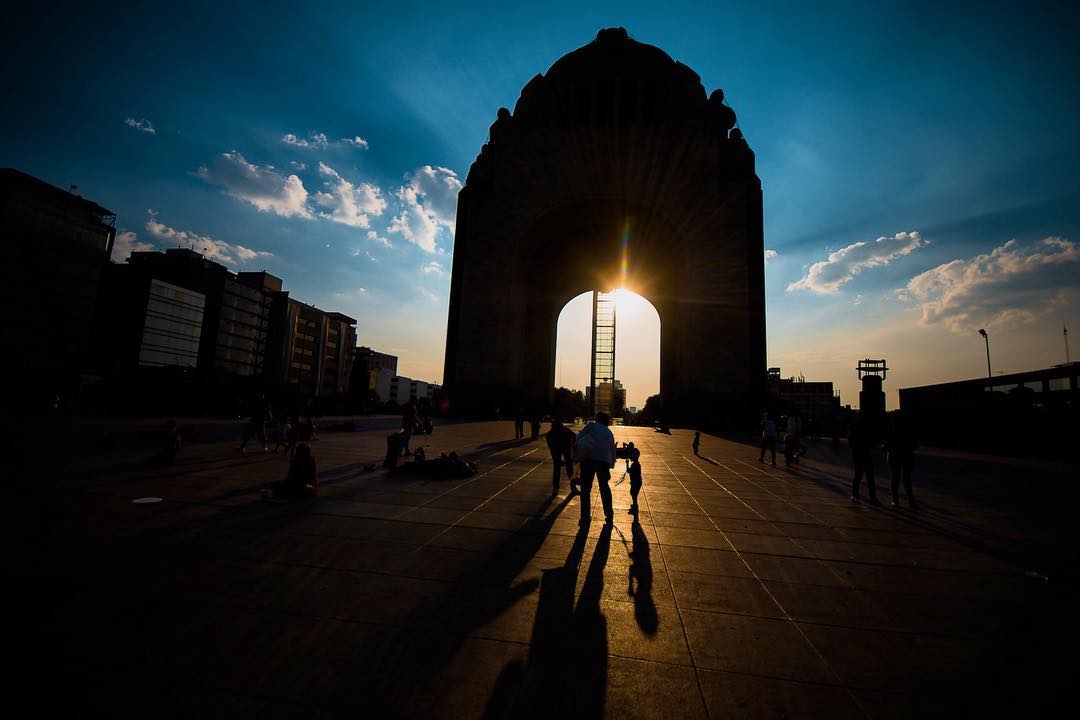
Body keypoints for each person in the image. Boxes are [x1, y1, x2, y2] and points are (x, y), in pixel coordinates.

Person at [575, 412, 617, 526]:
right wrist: (611, 464)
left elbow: (579, 437)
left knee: (586, 489)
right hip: (603, 462)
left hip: (588, 459)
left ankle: (585, 517)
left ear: (597, 419)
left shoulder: (591, 425)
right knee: (604, 488)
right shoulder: (609, 432)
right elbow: (612, 450)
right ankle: (609, 514)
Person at [885, 411, 919, 509]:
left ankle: (896, 500)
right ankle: (910, 500)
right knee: (906, 479)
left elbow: (887, 445)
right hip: (906, 456)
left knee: (896, 478)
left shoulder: (892, 432)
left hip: (896, 456)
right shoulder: (909, 432)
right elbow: (915, 445)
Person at [849, 414, 879, 503]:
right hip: (864, 452)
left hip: (857, 453)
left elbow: (851, 443)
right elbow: (871, 442)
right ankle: (872, 497)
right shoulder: (865, 428)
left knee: (858, 474)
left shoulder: (853, 428)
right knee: (869, 475)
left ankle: (855, 494)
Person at [546, 419, 577, 493]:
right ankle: (573, 488)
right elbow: (574, 436)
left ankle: (556, 487)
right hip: (565, 448)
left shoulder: (550, 434)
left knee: (557, 468)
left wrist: (558, 460)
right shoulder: (564, 430)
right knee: (568, 468)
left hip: (563, 448)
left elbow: (552, 449)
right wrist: (572, 445)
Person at [627, 446, 643, 515]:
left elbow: (628, 471)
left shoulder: (634, 465)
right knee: (634, 494)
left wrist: (627, 464)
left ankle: (635, 506)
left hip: (635, 482)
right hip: (637, 482)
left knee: (633, 494)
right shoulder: (637, 464)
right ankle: (634, 505)